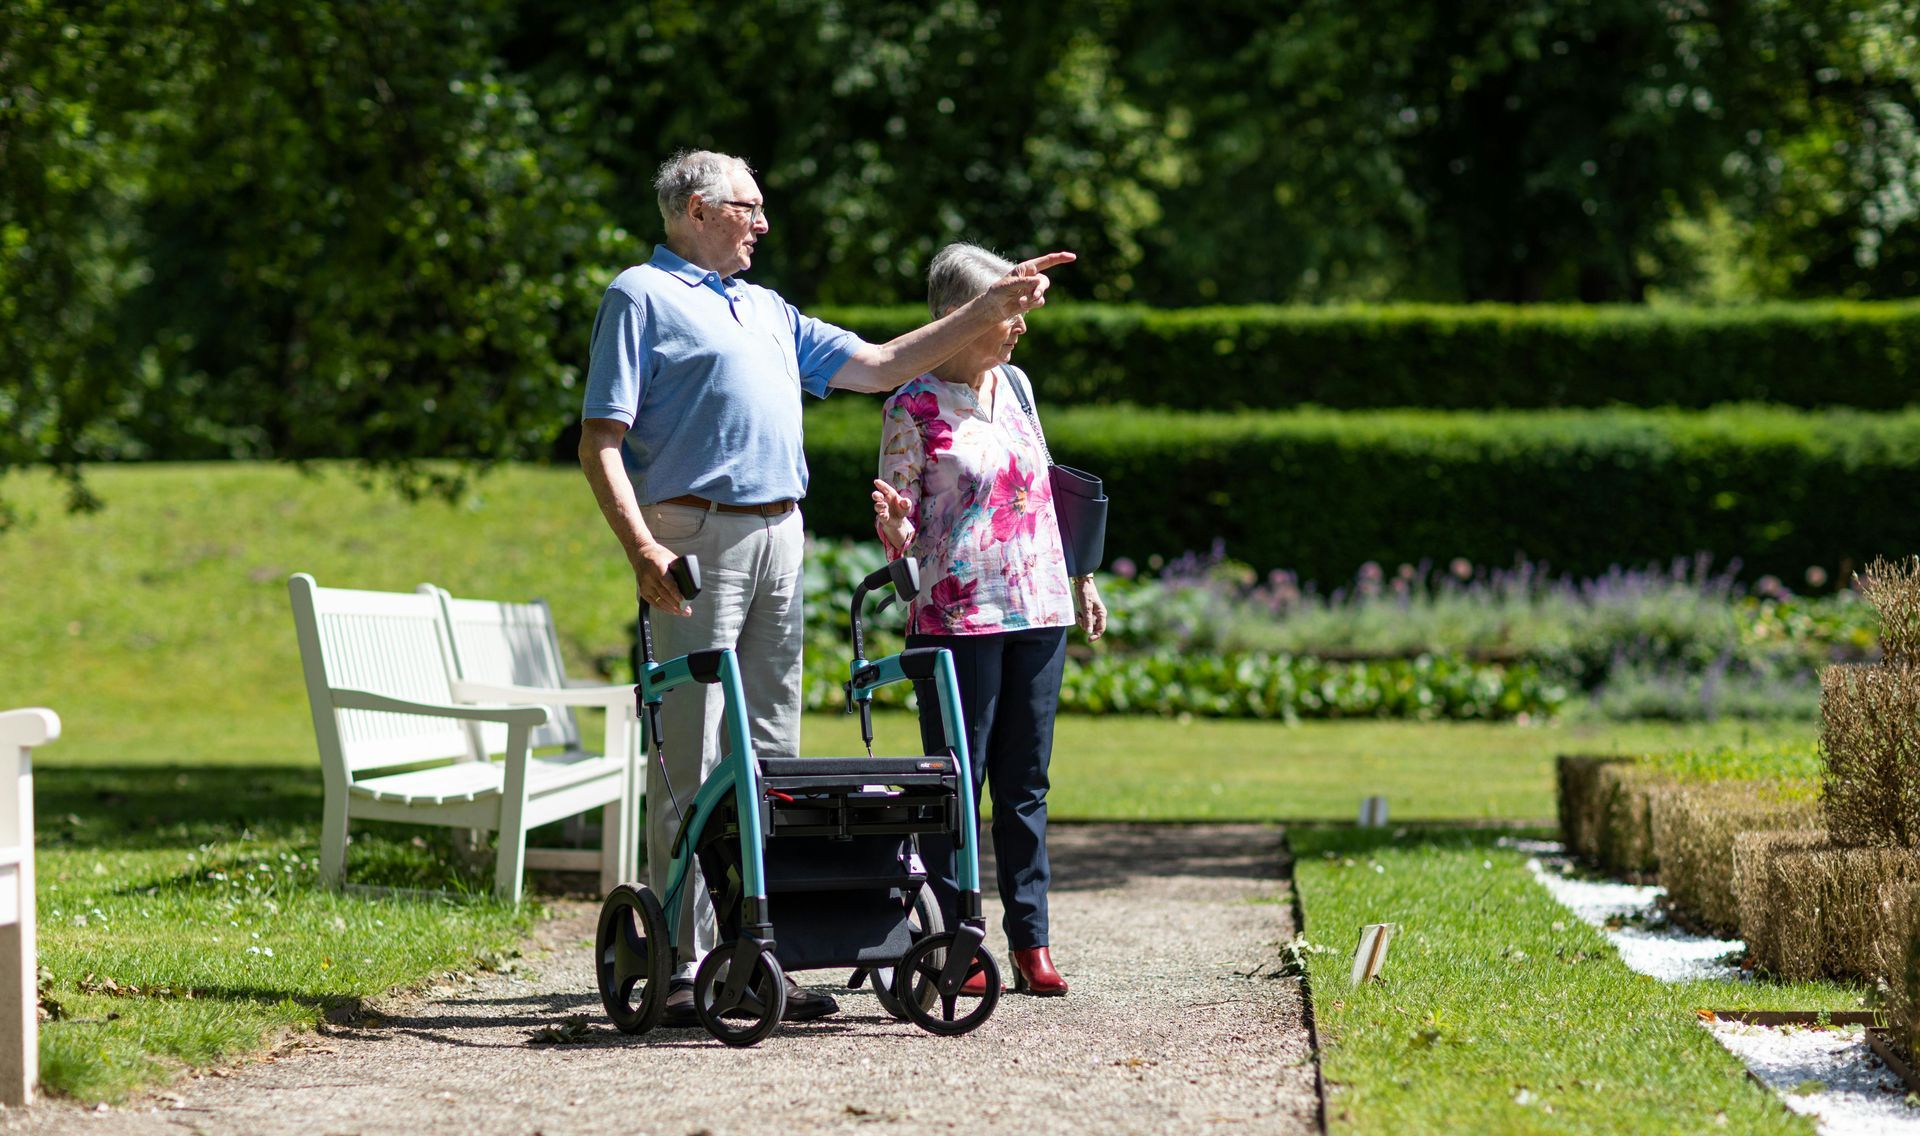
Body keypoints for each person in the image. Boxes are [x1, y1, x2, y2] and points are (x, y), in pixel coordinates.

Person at [579, 151, 1072, 1027]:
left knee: (775, 753)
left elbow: (882, 364)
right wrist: (642, 545)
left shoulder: (767, 309)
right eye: (749, 207)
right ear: (697, 209)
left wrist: (984, 308)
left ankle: (766, 946)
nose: (763, 222)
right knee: (694, 751)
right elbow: (601, 439)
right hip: (695, 533)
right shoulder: (639, 297)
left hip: (782, 534)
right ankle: (691, 959)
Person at [870, 242, 1106, 997]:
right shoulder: (910, 404)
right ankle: (954, 941)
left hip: (1039, 605)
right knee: (955, 784)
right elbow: (897, 518)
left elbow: (1045, 490)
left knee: (1026, 783)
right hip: (955, 617)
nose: (1018, 327)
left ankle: (1031, 942)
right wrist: (896, 528)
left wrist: (1083, 578)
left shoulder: (1020, 389)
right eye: (1003, 312)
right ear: (953, 317)